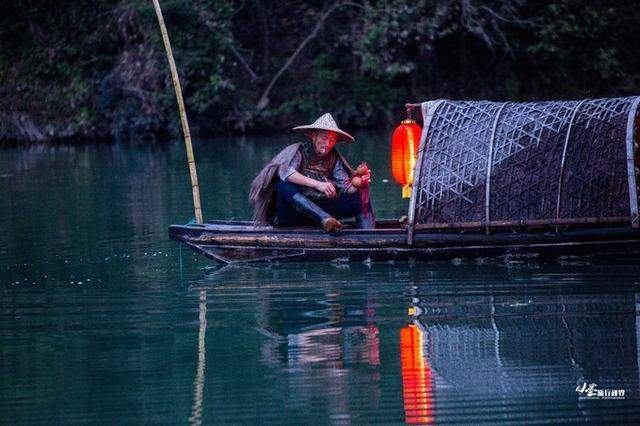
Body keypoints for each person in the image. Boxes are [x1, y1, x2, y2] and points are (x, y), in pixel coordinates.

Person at [249, 113, 375, 232]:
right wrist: (318, 184)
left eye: (332, 140)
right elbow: (286, 173)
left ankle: (368, 237)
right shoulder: (298, 151)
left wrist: (359, 182)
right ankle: (325, 219)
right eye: (324, 138)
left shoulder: (334, 159)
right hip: (292, 215)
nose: (328, 144)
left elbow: (346, 188)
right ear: (314, 136)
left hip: (319, 210)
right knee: (283, 185)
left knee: (359, 197)